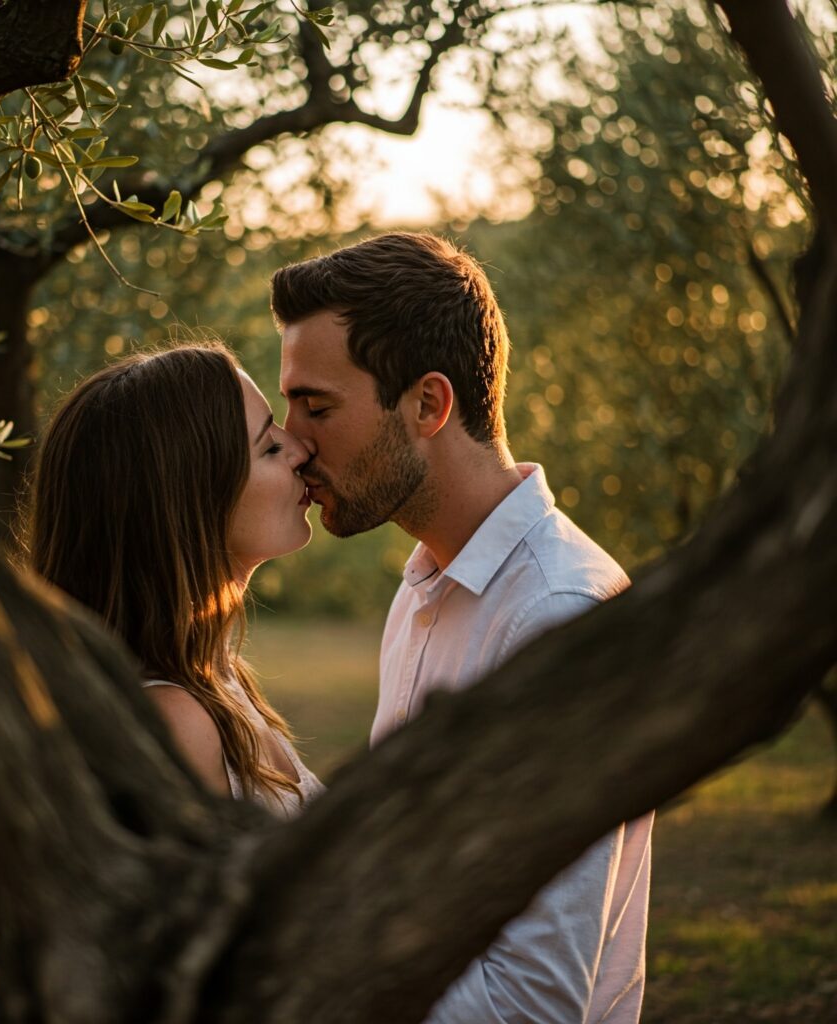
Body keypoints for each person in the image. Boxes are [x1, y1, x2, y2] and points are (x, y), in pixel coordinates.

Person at [272, 232, 654, 1023]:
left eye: (317, 407)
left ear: (428, 405)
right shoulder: (424, 586)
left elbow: (531, 1005)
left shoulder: (554, 616)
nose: (295, 442)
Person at [29, 344, 323, 818]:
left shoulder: (219, 677)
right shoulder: (176, 721)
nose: (301, 450)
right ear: (192, 499)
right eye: (269, 447)